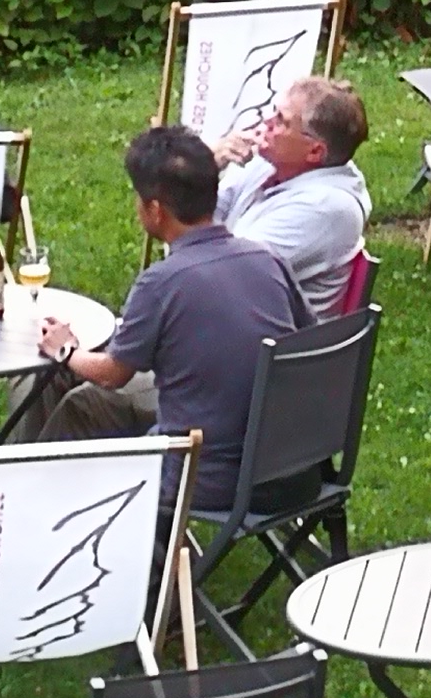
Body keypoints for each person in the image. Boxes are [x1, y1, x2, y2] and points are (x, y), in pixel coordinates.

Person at [37, 126, 306, 510]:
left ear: (155, 210)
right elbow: (312, 340)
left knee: (81, 409)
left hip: (203, 477)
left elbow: (113, 375)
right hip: (292, 471)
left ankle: (23, 503)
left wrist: (65, 350)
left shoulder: (161, 282)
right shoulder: (267, 259)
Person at [214, 76, 373, 318]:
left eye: (281, 120)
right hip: (236, 315)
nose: (266, 121)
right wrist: (205, 166)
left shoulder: (323, 209)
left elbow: (221, 273)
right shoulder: (273, 162)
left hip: (269, 336)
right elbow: (201, 213)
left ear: (315, 151)